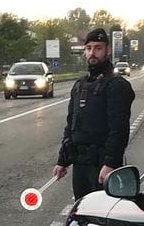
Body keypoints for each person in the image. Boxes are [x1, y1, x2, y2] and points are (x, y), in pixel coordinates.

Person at [53, 28, 135, 199]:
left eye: (98, 48)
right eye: (89, 48)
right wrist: (63, 161)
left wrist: (110, 163)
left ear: (108, 50)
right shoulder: (79, 85)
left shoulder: (117, 86)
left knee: (103, 216)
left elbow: (119, 130)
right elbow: (71, 126)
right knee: (82, 212)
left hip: (102, 165)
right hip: (81, 164)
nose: (93, 53)